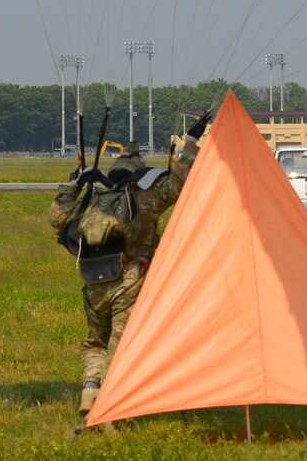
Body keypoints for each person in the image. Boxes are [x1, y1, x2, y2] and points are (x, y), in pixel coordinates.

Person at [49, 116, 208, 419]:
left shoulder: (95, 198)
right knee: (121, 346)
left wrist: (74, 183)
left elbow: (57, 217)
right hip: (129, 280)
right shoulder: (145, 195)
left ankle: (90, 388)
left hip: (94, 281)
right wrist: (189, 142)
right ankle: (109, 406)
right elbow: (182, 181)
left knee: (95, 341)